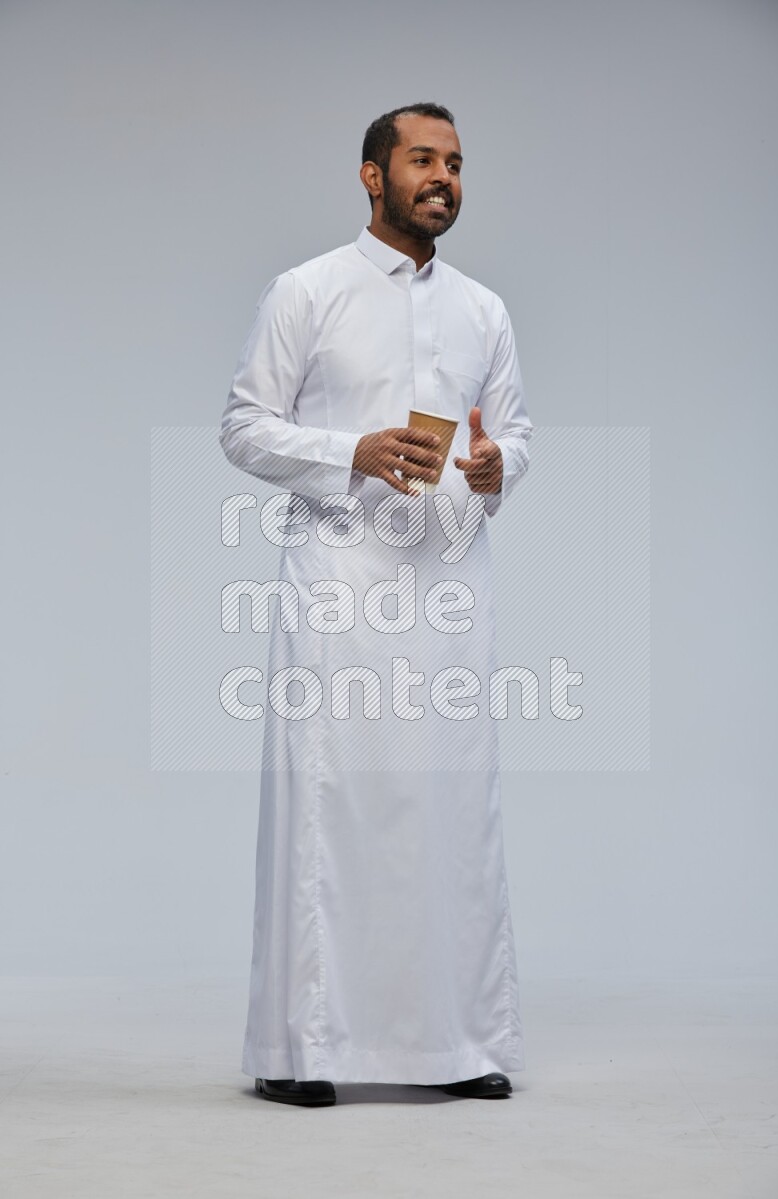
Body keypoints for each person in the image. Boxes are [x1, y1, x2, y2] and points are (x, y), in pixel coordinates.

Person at [219, 102, 533, 1107]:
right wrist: (347, 451)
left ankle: (463, 1040)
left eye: (452, 163)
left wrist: (493, 466)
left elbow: (516, 434)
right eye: (420, 160)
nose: (441, 177)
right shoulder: (308, 290)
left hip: (446, 589)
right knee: (334, 807)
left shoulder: (483, 309)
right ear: (370, 175)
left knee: (450, 809)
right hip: (340, 587)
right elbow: (242, 424)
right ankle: (305, 1048)